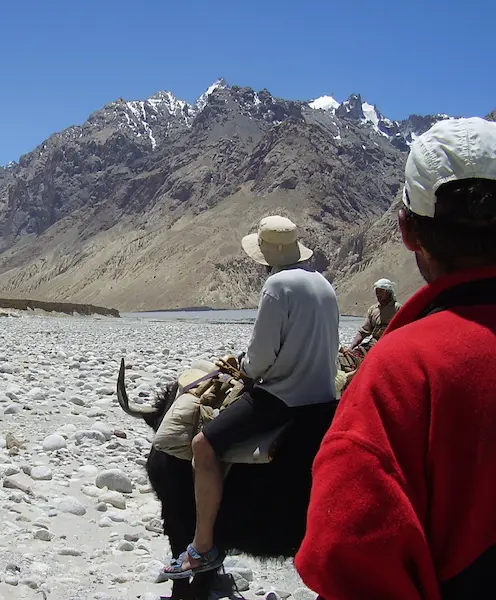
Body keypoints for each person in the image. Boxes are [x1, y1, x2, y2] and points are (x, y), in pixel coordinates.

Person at [294, 116, 496, 600]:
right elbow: (365, 329)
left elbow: (348, 555)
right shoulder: (378, 324)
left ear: (407, 230)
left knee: (203, 444)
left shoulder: (402, 372)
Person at [163, 215, 340, 579]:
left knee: (202, 445)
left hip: (282, 399)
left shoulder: (277, 286)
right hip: (325, 399)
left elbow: (259, 361)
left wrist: (245, 365)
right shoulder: (324, 284)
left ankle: (203, 546)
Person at [345, 277, 401, 352]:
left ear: (388, 292)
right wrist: (350, 348)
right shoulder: (373, 310)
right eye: (376, 291)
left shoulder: (397, 308)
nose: (378, 294)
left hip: (392, 345)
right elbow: (363, 332)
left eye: (381, 291)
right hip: (374, 344)